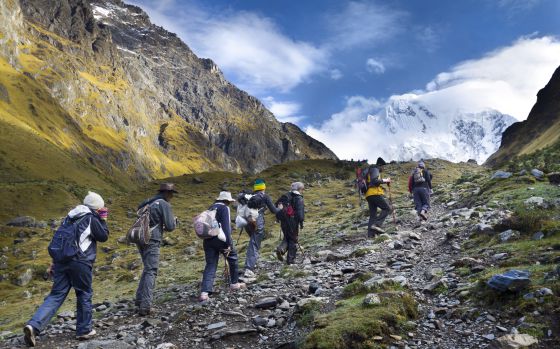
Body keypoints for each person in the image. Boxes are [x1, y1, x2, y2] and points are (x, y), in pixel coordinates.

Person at [23, 192, 109, 346]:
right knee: (84, 293)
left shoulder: (69, 217)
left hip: (61, 262)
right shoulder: (91, 218)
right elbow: (103, 237)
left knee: (56, 295)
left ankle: (34, 326)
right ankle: (84, 330)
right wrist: (103, 220)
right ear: (97, 207)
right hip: (80, 262)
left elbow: (62, 241)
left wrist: (54, 263)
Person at [134, 183, 177, 316]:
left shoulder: (146, 203)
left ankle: (139, 299)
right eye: (171, 194)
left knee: (147, 268)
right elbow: (170, 226)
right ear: (167, 193)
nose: (172, 196)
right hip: (153, 239)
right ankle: (145, 306)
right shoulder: (163, 204)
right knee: (152, 270)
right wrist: (174, 221)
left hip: (140, 238)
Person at [199, 192, 246, 302]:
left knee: (210, 264)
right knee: (232, 257)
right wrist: (229, 243)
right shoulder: (224, 208)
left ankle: (204, 293)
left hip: (208, 239)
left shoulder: (211, 207)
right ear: (227, 201)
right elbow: (226, 226)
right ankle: (234, 283)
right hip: (220, 239)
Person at [242, 179, 280, 278]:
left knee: (253, 242)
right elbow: (274, 210)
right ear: (263, 188)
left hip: (247, 222)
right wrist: (280, 208)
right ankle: (249, 268)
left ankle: (253, 262)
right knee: (254, 244)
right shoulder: (264, 196)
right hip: (258, 221)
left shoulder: (250, 196)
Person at [275, 182, 305, 264]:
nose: (303, 191)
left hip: (284, 221)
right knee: (293, 239)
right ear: (299, 189)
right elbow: (300, 213)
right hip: (293, 221)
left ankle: (281, 249)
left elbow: (276, 206)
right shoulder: (298, 198)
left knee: (287, 237)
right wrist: (301, 222)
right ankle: (290, 260)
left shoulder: (285, 196)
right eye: (302, 189)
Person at [365, 157, 393, 237]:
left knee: (373, 215)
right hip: (374, 193)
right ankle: (377, 225)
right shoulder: (375, 169)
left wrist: (383, 184)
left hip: (369, 195)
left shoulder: (371, 170)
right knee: (387, 208)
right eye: (383, 166)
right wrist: (385, 180)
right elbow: (375, 181)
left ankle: (371, 235)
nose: (383, 168)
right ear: (380, 165)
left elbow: (373, 182)